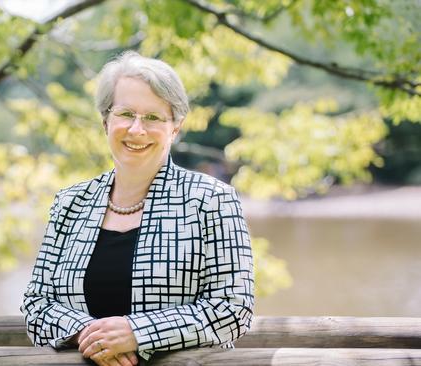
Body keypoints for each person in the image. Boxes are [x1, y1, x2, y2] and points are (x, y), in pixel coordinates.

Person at [20, 51, 254, 366]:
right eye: (126, 114)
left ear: (175, 127)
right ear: (106, 121)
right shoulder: (70, 202)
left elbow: (233, 309)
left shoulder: (212, 200)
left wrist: (137, 332)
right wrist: (90, 334)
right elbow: (37, 304)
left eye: (153, 117)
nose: (136, 130)